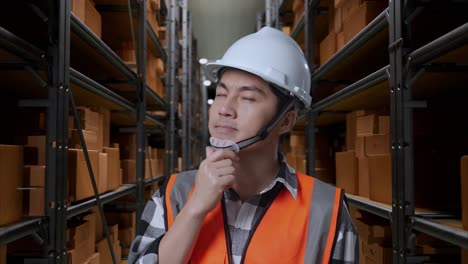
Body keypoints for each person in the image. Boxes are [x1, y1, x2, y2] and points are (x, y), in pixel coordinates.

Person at [128, 26, 359, 264]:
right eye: (220, 94)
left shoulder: (326, 211)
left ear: (286, 120)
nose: (225, 109)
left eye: (248, 97)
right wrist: (195, 209)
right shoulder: (173, 195)